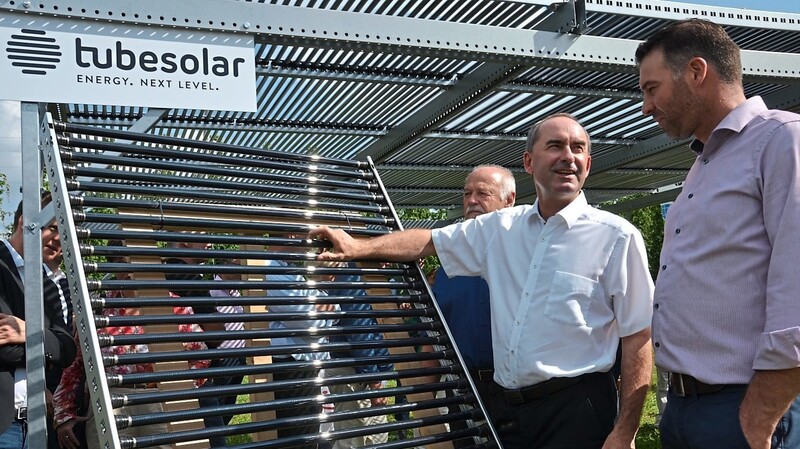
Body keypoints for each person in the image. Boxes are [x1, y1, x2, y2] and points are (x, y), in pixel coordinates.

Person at [310, 113, 654, 449]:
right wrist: (359, 246)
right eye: (555, 146)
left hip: (578, 411)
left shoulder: (617, 237)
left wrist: (625, 431)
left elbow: (639, 335)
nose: (568, 157)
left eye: (578, 148)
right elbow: (427, 241)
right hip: (503, 410)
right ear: (529, 161)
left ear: (588, 164)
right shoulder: (500, 229)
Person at [636, 18, 800, 449]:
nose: (645, 107)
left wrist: (761, 414)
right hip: (686, 407)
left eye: (651, 89)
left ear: (696, 71)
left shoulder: (782, 139)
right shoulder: (704, 163)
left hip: (745, 406)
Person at [430, 164, 515, 446]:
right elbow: (438, 331)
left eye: (483, 193)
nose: (472, 201)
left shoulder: (527, 254)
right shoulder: (448, 262)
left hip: (517, 388)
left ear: (509, 200)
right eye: (467, 193)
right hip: (464, 389)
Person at [0, 192, 76, 449]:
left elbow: (67, 351)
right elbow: (5, 348)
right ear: (24, 222)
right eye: (53, 227)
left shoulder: (47, 285)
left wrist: (29, 332)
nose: (58, 239)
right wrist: (46, 344)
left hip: (35, 424)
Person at [266, 236, 338, 449]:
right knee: (297, 439)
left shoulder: (288, 271)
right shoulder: (270, 270)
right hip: (289, 368)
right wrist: (325, 310)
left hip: (301, 366)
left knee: (308, 435)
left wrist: (323, 308)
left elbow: (326, 314)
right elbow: (308, 322)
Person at [324, 263, 393, 449]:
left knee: (373, 436)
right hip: (355, 372)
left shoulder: (372, 276)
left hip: (368, 370)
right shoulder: (352, 277)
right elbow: (359, 331)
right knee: (353, 439)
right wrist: (374, 380)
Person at [198, 259, 247, 447]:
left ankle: (221, 432)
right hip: (222, 357)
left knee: (230, 402)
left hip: (240, 356)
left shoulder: (237, 292)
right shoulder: (212, 292)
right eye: (235, 267)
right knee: (217, 401)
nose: (239, 272)